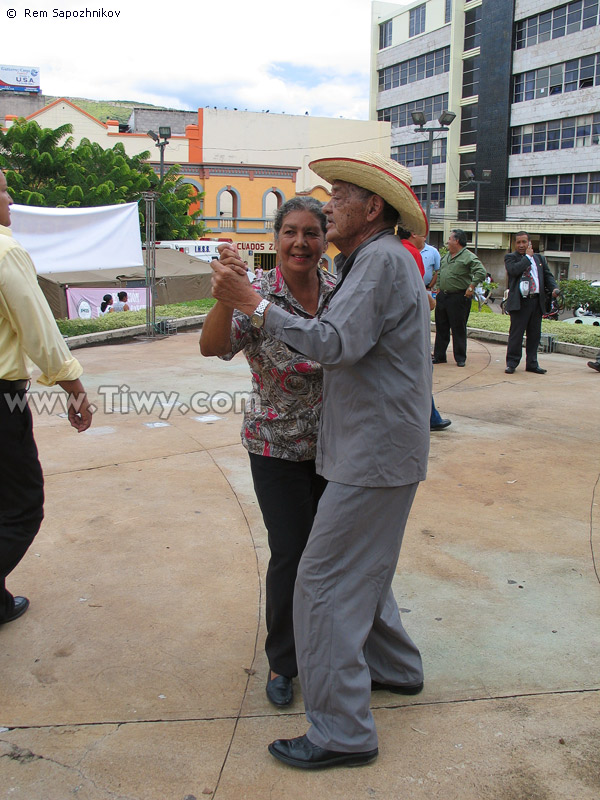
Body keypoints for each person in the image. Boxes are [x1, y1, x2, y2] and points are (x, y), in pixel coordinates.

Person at [210, 152, 431, 769]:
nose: (327, 205)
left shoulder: (379, 261)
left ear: (372, 208)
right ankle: (395, 667)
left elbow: (334, 344)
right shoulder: (373, 261)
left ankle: (342, 732)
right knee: (364, 570)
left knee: (323, 582)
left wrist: (255, 305)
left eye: (338, 196)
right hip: (375, 448)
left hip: (374, 451)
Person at [200, 197, 335, 708]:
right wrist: (224, 297)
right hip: (275, 444)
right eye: (290, 233)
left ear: (325, 239)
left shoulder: (339, 291)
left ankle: (332, 645)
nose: (300, 243)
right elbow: (213, 347)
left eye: (311, 233)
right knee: (292, 551)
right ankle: (284, 659)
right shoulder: (253, 293)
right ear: (276, 239)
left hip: (337, 444)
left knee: (332, 552)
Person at [0, 169, 93, 625]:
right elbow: (39, 330)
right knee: (21, 508)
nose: (10, 199)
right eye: (1, 189)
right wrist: (74, 389)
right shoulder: (5, 249)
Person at [398, 228, 451, 432]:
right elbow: (417, 288)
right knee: (420, 371)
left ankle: (431, 416)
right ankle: (430, 417)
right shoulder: (410, 252)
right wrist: (429, 300)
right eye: (422, 234)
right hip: (409, 324)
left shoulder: (389, 249)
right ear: (412, 234)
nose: (424, 239)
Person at [504, 231, 559, 374]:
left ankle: (532, 363)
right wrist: (527, 257)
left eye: (524, 242)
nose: (521, 245)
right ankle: (512, 363)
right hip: (520, 302)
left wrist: (554, 288)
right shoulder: (511, 258)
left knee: (534, 335)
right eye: (518, 242)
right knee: (516, 334)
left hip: (536, 301)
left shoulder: (539, 258)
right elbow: (514, 271)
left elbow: (547, 276)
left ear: (530, 243)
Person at [432, 228, 486, 367]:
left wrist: (472, 287)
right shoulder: (446, 256)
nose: (448, 242)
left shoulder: (468, 256)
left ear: (457, 241)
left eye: (450, 239)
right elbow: (441, 272)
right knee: (441, 327)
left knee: (458, 328)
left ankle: (460, 358)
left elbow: (481, 272)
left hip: (459, 297)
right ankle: (439, 356)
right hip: (443, 296)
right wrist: (438, 288)